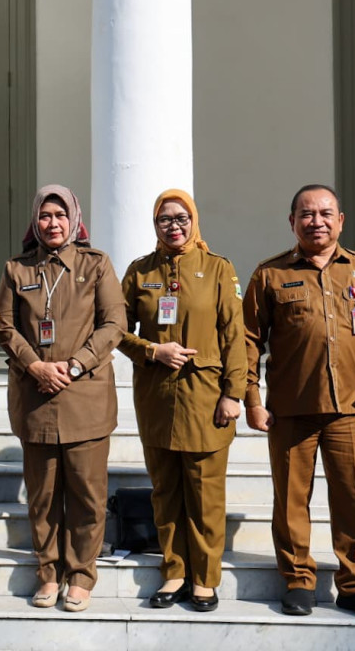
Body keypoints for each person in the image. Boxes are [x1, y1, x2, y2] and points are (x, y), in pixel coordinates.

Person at [244, 184, 355, 620]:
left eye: (325, 213)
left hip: (352, 412)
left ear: (341, 220)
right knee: (291, 501)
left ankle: (354, 586)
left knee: (351, 500)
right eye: (306, 213)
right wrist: (252, 399)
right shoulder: (269, 275)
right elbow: (247, 342)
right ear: (292, 221)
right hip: (290, 410)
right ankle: (298, 581)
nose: (316, 221)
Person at [0, 184, 125, 613]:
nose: (53, 224)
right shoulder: (18, 269)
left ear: (74, 219)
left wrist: (72, 366)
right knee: (44, 495)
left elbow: (114, 325)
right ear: (35, 220)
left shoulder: (96, 264)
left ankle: (82, 575)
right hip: (36, 397)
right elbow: (4, 327)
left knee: (87, 494)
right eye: (45, 216)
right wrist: (35, 366)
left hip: (84, 395)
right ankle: (48, 572)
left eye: (60, 216)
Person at [118, 189, 244, 612]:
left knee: (205, 494)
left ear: (194, 220)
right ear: (155, 225)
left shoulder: (218, 268)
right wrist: (153, 351)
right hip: (156, 398)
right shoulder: (140, 272)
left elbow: (234, 336)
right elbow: (115, 329)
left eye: (181, 217)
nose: (174, 226)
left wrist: (234, 393)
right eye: (164, 219)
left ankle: (205, 578)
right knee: (165, 491)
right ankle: (174, 571)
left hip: (206, 398)